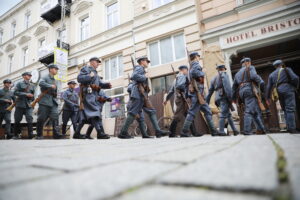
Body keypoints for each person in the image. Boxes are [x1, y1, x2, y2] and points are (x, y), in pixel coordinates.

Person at [118, 56, 169, 139]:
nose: (147, 63)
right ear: (142, 61)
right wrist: (144, 77)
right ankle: (123, 132)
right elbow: (134, 76)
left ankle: (158, 131)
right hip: (138, 94)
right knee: (133, 113)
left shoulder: (140, 69)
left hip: (142, 95)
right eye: (146, 61)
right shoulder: (139, 68)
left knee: (151, 111)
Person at [180, 52, 219, 137]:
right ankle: (184, 131)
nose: (199, 58)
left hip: (198, 93)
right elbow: (195, 73)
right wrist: (203, 72)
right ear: (195, 57)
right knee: (192, 112)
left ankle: (213, 131)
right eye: (198, 56)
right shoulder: (195, 65)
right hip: (197, 93)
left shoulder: (191, 66)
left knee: (207, 111)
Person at [76, 57, 112, 139]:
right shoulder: (86, 69)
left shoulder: (95, 73)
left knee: (88, 115)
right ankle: (100, 133)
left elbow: (99, 84)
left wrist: (106, 85)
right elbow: (79, 78)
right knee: (95, 112)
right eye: (97, 62)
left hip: (93, 95)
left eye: (99, 62)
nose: (98, 64)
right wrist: (90, 76)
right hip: (88, 94)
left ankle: (77, 133)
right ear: (92, 62)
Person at [164, 65, 202, 137]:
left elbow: (171, 91)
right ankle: (171, 133)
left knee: (189, 115)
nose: (187, 72)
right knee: (178, 116)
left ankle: (194, 132)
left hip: (181, 99)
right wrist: (186, 89)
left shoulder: (176, 79)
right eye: (186, 70)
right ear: (184, 70)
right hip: (181, 99)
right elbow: (180, 86)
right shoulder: (182, 76)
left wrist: (166, 99)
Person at [232, 57, 266, 135]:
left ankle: (261, 129)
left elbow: (234, 87)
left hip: (242, 92)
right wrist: (261, 82)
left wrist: (233, 98)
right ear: (248, 62)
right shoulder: (250, 67)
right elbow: (254, 76)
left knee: (254, 112)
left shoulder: (237, 73)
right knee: (249, 111)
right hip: (249, 90)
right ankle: (247, 130)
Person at [266, 60, 299, 133]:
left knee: (285, 109)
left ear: (275, 66)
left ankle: (289, 127)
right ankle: (292, 128)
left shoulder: (271, 74)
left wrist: (267, 97)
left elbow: (268, 87)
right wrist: (295, 86)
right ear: (282, 64)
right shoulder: (287, 69)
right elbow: (295, 78)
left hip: (279, 91)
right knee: (290, 109)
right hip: (288, 89)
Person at [206, 65, 239, 136]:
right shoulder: (224, 75)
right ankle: (221, 130)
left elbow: (210, 91)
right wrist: (231, 98)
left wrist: (207, 101)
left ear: (218, 70)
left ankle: (235, 130)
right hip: (224, 96)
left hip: (218, 98)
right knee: (223, 114)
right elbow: (227, 87)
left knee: (228, 114)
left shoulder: (213, 78)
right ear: (223, 69)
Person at [36, 64, 63, 139]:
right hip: (45, 100)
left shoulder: (55, 80)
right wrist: (49, 85)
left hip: (53, 101)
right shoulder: (45, 77)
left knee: (55, 116)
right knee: (41, 118)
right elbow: (40, 83)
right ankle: (39, 134)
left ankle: (56, 134)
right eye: (55, 69)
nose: (56, 70)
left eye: (57, 69)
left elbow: (55, 91)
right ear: (50, 69)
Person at [14, 72, 35, 139]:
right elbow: (15, 92)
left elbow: (33, 96)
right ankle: (16, 135)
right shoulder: (19, 83)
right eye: (28, 75)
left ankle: (30, 135)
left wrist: (31, 97)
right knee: (17, 120)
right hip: (20, 104)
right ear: (23, 76)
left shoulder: (32, 85)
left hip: (28, 105)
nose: (29, 76)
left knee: (29, 119)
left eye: (30, 75)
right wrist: (25, 94)